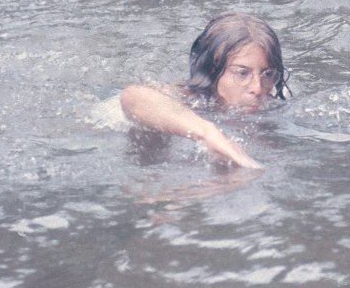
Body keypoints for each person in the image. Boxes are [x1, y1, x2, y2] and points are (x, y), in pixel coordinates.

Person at [120, 12, 290, 170]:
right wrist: (207, 134)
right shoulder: (188, 98)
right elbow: (132, 96)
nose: (257, 88)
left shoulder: (275, 105)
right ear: (213, 70)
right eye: (242, 73)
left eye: (267, 74)